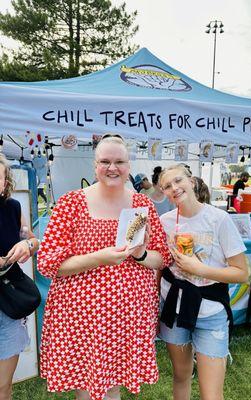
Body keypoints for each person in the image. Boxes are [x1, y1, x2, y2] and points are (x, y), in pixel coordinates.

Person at [38, 135, 172, 400]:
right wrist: (99, 257)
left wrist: (141, 254)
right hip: (81, 314)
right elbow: (48, 263)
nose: (113, 168)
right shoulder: (71, 203)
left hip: (128, 313)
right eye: (105, 161)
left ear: (129, 165)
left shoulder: (142, 204)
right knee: (87, 387)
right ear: (94, 165)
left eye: (119, 161)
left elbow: (162, 258)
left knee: (113, 386)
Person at [158, 164, 248, 400]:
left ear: (192, 181)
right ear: (164, 193)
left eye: (178, 181)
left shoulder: (219, 219)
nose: (174, 188)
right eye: (167, 186)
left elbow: (241, 273)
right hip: (174, 309)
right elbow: (159, 267)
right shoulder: (164, 222)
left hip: (211, 313)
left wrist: (200, 269)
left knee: (211, 393)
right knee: (181, 375)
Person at [0, 154, 39, 400]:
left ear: (5, 182)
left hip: (8, 302)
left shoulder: (12, 207)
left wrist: (28, 244)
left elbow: (32, 239)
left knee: (3, 385)